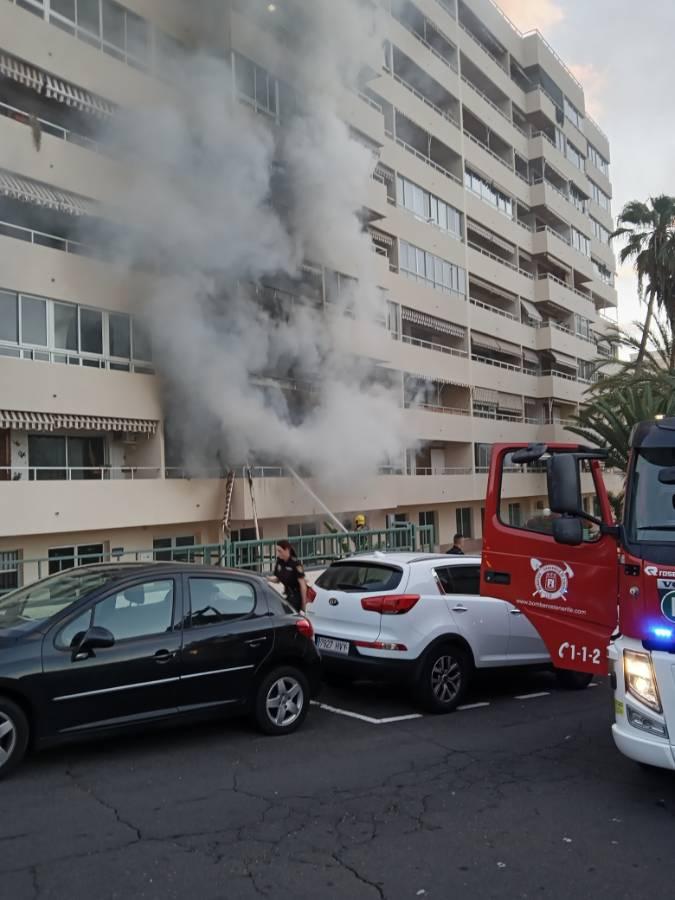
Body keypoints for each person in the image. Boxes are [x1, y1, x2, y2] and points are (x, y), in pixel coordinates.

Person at [270, 540, 307, 613]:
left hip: (296, 596)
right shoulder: (280, 562)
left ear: (287, 550)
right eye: (277, 551)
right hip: (288, 594)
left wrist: (303, 604)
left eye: (280, 551)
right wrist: (267, 579)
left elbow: (303, 586)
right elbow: (278, 579)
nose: (278, 554)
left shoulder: (295, 563)